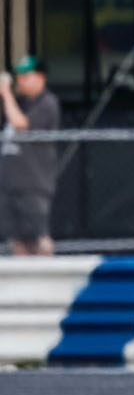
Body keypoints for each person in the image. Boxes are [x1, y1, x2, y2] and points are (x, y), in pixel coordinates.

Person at [0, 56, 59, 256]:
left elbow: (21, 124)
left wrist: (6, 93)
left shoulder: (47, 103)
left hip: (33, 186)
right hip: (9, 186)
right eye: (19, 77)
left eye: (26, 76)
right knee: (16, 240)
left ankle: (48, 282)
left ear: (41, 78)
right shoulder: (19, 103)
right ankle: (23, 286)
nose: (21, 81)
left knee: (39, 239)